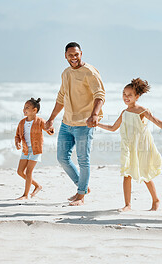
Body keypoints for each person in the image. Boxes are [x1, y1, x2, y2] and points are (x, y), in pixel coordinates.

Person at [97, 78, 162, 211]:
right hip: (128, 148)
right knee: (126, 174)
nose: (126, 97)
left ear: (137, 96)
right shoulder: (124, 112)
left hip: (142, 147)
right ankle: (127, 205)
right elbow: (113, 127)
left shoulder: (142, 110)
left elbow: (158, 122)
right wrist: (97, 124)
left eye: (129, 95)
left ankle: (156, 200)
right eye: (124, 94)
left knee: (145, 173)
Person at [45, 42, 105, 206]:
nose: (74, 57)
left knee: (83, 160)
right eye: (70, 55)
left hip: (85, 124)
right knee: (62, 158)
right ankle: (82, 187)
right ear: (65, 56)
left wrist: (94, 115)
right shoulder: (65, 73)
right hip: (66, 123)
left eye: (76, 54)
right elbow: (61, 97)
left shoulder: (90, 72)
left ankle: (81, 195)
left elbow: (100, 95)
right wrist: (51, 119)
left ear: (81, 54)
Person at [15, 98, 54, 200]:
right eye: (24, 107)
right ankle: (37, 185)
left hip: (36, 149)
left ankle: (25, 195)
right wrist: (17, 142)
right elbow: (17, 136)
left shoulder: (39, 121)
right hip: (26, 149)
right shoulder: (22, 122)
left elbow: (48, 129)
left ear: (34, 110)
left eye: (27, 108)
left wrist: (50, 128)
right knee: (19, 171)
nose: (24, 109)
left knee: (28, 172)